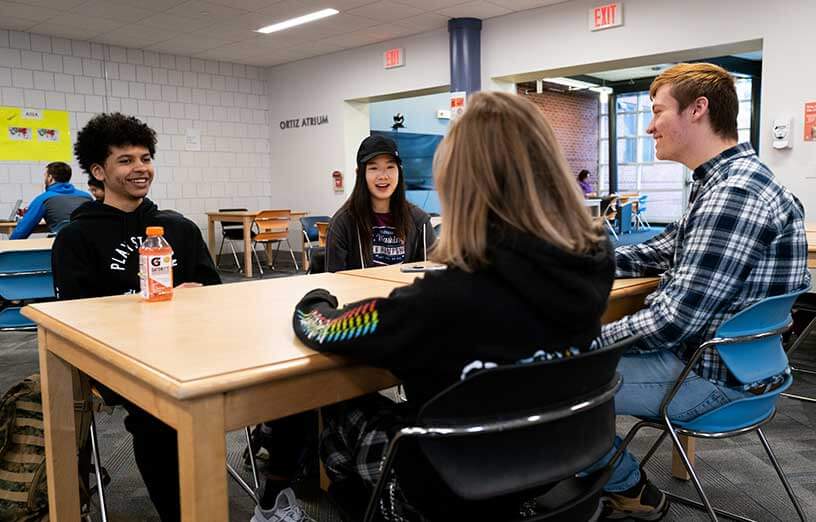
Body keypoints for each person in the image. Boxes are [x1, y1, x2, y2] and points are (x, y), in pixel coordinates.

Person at [292, 91, 615, 519]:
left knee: (334, 405)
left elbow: (322, 327)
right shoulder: (594, 263)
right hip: (549, 461)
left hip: (448, 483)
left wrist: (316, 297)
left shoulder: (440, 301)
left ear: (459, 183)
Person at [592, 63, 810, 520]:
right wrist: (573, 260)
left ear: (697, 110)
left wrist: (582, 348)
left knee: (549, 387)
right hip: (749, 372)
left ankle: (630, 489)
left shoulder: (733, 194)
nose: (650, 125)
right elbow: (661, 249)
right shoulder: (729, 183)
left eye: (657, 111)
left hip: (714, 381)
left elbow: (674, 321)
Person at [51, 113, 224, 522]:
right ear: (99, 171)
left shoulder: (178, 228)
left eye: (145, 158)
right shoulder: (77, 237)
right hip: (118, 361)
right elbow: (73, 318)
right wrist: (144, 303)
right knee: (159, 418)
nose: (140, 168)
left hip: (188, 351)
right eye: (125, 160)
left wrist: (195, 297)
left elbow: (215, 292)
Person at [324, 135, 435, 272]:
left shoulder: (419, 222)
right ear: (360, 174)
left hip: (407, 292)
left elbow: (432, 275)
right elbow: (334, 280)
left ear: (399, 171)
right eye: (373, 168)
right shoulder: (343, 223)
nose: (383, 176)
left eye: (390, 166)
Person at [10, 161, 92, 239]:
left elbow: (20, 232)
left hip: (64, 246)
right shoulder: (87, 197)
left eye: (45, 175)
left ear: (50, 177)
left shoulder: (44, 199)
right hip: (91, 245)